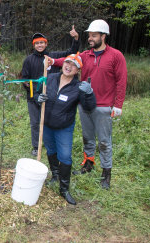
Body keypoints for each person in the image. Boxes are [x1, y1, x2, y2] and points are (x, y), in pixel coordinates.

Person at [48, 19, 127, 189]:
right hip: (84, 104)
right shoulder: (86, 55)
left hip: (104, 106)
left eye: (94, 36)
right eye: (89, 35)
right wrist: (53, 62)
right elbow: (69, 61)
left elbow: (121, 81)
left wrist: (118, 104)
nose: (90, 38)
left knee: (104, 141)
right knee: (88, 138)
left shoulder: (116, 56)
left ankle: (106, 174)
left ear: (103, 36)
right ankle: (88, 164)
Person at [36, 53, 96, 205]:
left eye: (74, 65)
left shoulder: (78, 88)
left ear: (78, 70)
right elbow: (38, 92)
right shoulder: (50, 78)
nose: (69, 66)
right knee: (51, 150)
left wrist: (89, 94)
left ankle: (64, 189)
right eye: (67, 63)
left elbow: (89, 108)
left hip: (64, 127)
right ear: (62, 64)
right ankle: (55, 175)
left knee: (65, 156)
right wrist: (38, 98)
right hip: (47, 124)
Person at [21, 26, 80, 156]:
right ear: (34, 45)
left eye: (42, 42)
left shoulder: (53, 57)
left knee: (49, 121)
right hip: (33, 98)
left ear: (46, 43)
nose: (39, 45)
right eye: (37, 43)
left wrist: (75, 38)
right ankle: (36, 146)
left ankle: (51, 144)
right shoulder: (29, 60)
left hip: (51, 98)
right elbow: (24, 79)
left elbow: (72, 52)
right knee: (35, 123)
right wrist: (34, 94)